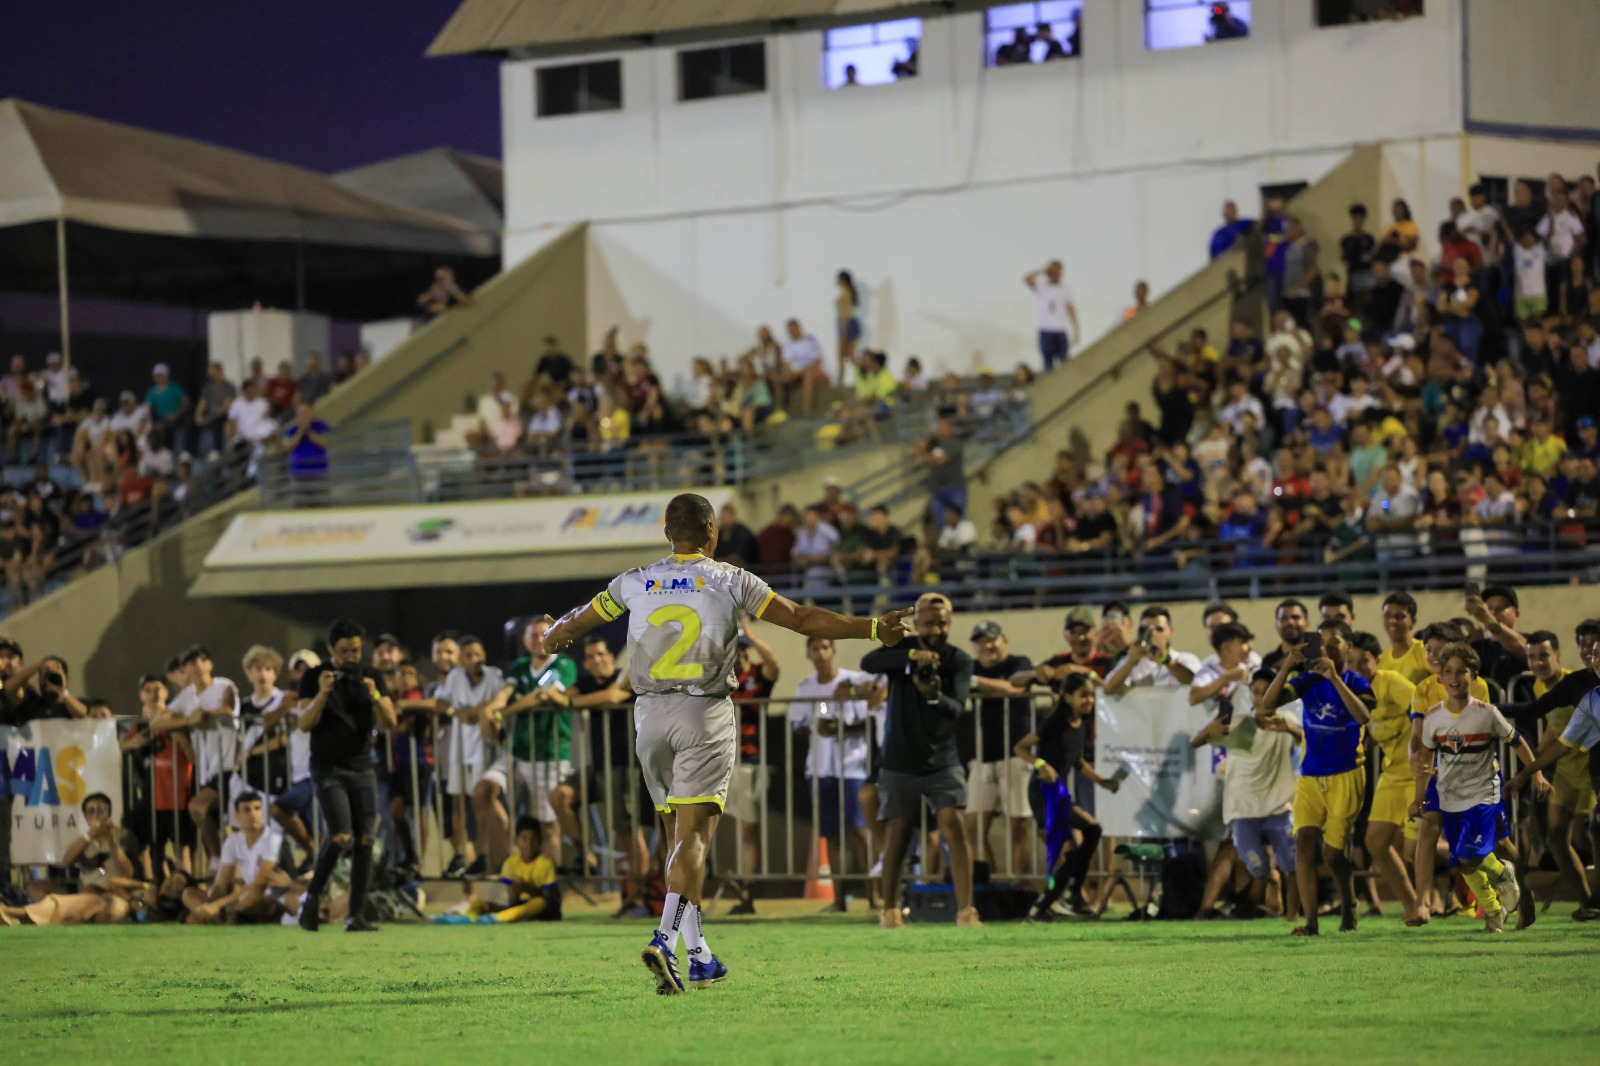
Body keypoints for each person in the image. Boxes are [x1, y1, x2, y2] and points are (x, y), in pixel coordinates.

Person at [538, 492, 913, 994]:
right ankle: (665, 940)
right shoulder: (730, 578)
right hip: (703, 711)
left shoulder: (633, 580)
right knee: (695, 840)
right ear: (712, 530)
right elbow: (799, 618)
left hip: (648, 716)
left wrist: (553, 637)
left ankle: (700, 956)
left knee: (676, 840)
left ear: (668, 533)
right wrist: (870, 628)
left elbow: (574, 622)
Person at [860, 593, 979, 929]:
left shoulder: (959, 660)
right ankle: (889, 911)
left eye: (942, 622)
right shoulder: (901, 651)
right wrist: (911, 654)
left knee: (953, 826)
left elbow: (957, 709)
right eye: (929, 621)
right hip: (899, 759)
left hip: (943, 760)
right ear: (919, 622)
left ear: (950, 623)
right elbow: (868, 663)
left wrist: (934, 697)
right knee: (898, 832)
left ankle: (966, 911)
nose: (936, 628)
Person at [1260, 619, 1374, 935]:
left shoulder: (1357, 682)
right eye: (1320, 642)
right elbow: (1268, 704)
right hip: (1311, 776)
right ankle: (1310, 923)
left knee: (1333, 853)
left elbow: (1363, 716)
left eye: (1333, 641)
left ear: (1347, 646)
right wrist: (1287, 666)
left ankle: (1348, 900)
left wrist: (1335, 679)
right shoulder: (1307, 681)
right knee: (1305, 843)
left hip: (1347, 775)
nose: (1325, 647)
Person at [1413, 644, 1538, 934]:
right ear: (1440, 678)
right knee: (1462, 858)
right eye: (1448, 672)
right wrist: (1419, 798)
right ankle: (1494, 911)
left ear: (1474, 676)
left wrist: (1537, 773)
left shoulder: (1486, 713)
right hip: (1450, 795)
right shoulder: (1433, 717)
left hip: (1484, 794)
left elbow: (1517, 741)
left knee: (1472, 854)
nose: (1454, 678)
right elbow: (1426, 758)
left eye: (1461, 672)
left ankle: (1503, 873)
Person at [1191, 630, 1301, 922]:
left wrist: (1291, 730)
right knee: (1255, 865)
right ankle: (1269, 880)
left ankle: (1294, 919)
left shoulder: (1285, 720)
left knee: (1291, 863)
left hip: (1278, 804)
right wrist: (1207, 732)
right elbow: (1196, 742)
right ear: (1250, 693)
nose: (1261, 695)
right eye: (1256, 690)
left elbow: (1306, 740)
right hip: (1243, 807)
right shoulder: (1239, 724)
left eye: (1268, 689)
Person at [296, 619, 397, 933]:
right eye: (344, 651)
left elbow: (390, 722)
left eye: (356, 649)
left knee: (366, 838)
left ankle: (356, 915)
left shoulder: (371, 677)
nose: (352, 656)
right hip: (328, 768)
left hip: (361, 766)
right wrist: (323, 694)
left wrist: (376, 695)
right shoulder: (315, 677)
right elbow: (304, 722)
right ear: (330, 650)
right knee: (341, 835)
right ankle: (310, 901)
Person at [1507, 627, 1600, 921]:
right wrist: (1529, 772)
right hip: (1568, 772)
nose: (1538, 662)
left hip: (1587, 771)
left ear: (1558, 655)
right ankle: (1589, 901)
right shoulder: (1549, 688)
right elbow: (1558, 734)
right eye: (1532, 657)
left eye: (1544, 655)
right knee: (1557, 837)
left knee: (1590, 835)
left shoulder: (1577, 685)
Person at [1014, 673, 1119, 921]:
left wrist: (1102, 781)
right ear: (1068, 697)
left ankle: (1072, 896)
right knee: (1070, 853)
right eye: (1083, 695)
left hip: (1058, 795)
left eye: (1091, 696)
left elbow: (1079, 762)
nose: (1089, 701)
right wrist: (1040, 763)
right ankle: (1041, 908)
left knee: (1092, 830)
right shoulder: (1054, 722)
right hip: (1042, 793)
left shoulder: (1081, 725)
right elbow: (1020, 747)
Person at [789, 636, 877, 912]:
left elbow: (870, 718)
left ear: (833, 650)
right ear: (808, 653)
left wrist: (841, 729)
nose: (821, 653)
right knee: (832, 836)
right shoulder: (806, 686)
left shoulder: (854, 681)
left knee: (859, 833)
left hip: (852, 766)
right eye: (815, 648)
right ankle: (839, 900)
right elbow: (796, 723)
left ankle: (874, 897)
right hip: (820, 768)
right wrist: (817, 727)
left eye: (825, 647)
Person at [484, 617, 576, 866]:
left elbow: (541, 695)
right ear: (524, 640)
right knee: (484, 792)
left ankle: (550, 887)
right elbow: (504, 693)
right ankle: (515, 868)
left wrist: (504, 713)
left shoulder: (563, 664)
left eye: (543, 634)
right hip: (518, 752)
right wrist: (490, 711)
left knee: (547, 825)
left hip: (549, 754)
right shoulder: (521, 666)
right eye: (533, 635)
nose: (538, 639)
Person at [1346, 631, 1421, 923]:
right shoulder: (1354, 690)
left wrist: (1422, 752)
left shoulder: (1392, 682)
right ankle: (1412, 906)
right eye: (1352, 662)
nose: (1358, 667)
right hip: (1392, 773)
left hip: (1417, 771)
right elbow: (1375, 727)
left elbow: (1421, 709)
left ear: (1376, 661)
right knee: (1375, 842)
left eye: (1364, 660)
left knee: (1414, 849)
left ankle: (1482, 854)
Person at [964, 621, 1035, 880]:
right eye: (980, 641)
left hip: (1016, 757)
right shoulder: (971, 668)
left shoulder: (1019, 662)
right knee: (973, 827)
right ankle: (987, 887)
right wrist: (996, 686)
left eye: (991, 640)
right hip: (983, 758)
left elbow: (1016, 687)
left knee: (1019, 826)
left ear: (1004, 640)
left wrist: (977, 683)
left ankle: (1022, 888)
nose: (987, 646)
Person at [726, 617, 780, 915]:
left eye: (740, 649)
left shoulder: (758, 676)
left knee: (748, 831)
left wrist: (752, 635)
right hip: (718, 762)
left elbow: (775, 665)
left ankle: (748, 894)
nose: (735, 655)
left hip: (749, 761)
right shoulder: (718, 679)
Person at [181, 792, 285, 924]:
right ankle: (216, 917)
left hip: (268, 896)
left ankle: (217, 918)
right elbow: (221, 885)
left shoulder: (272, 839)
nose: (253, 814)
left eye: (257, 809)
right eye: (247, 810)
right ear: (237, 815)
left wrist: (217, 905)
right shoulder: (233, 841)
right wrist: (206, 905)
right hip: (243, 895)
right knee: (188, 894)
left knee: (249, 898)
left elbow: (259, 884)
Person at [461, 816, 562, 925]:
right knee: (480, 903)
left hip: (542, 909)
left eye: (534, 839)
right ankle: (468, 918)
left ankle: (497, 919)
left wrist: (526, 888)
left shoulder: (545, 863)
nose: (529, 844)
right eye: (524, 838)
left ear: (540, 841)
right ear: (516, 840)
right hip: (517, 905)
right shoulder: (510, 863)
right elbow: (507, 897)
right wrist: (514, 892)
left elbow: (550, 898)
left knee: (539, 903)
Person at [1102, 605, 1199, 694]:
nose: (1153, 634)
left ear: (1171, 631)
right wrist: (1130, 663)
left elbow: (1197, 683)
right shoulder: (1133, 662)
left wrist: (1165, 659)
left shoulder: (1184, 659)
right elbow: (1107, 689)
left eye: (1159, 629)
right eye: (1145, 630)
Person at [1025, 261, 1079, 371]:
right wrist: (1042, 270)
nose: (1055, 274)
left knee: (1064, 363)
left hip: (1060, 330)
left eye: (1057, 271)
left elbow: (1070, 309)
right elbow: (1027, 279)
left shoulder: (1065, 289)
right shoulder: (1041, 287)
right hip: (1045, 330)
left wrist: (1076, 329)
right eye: (1053, 271)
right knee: (1048, 364)